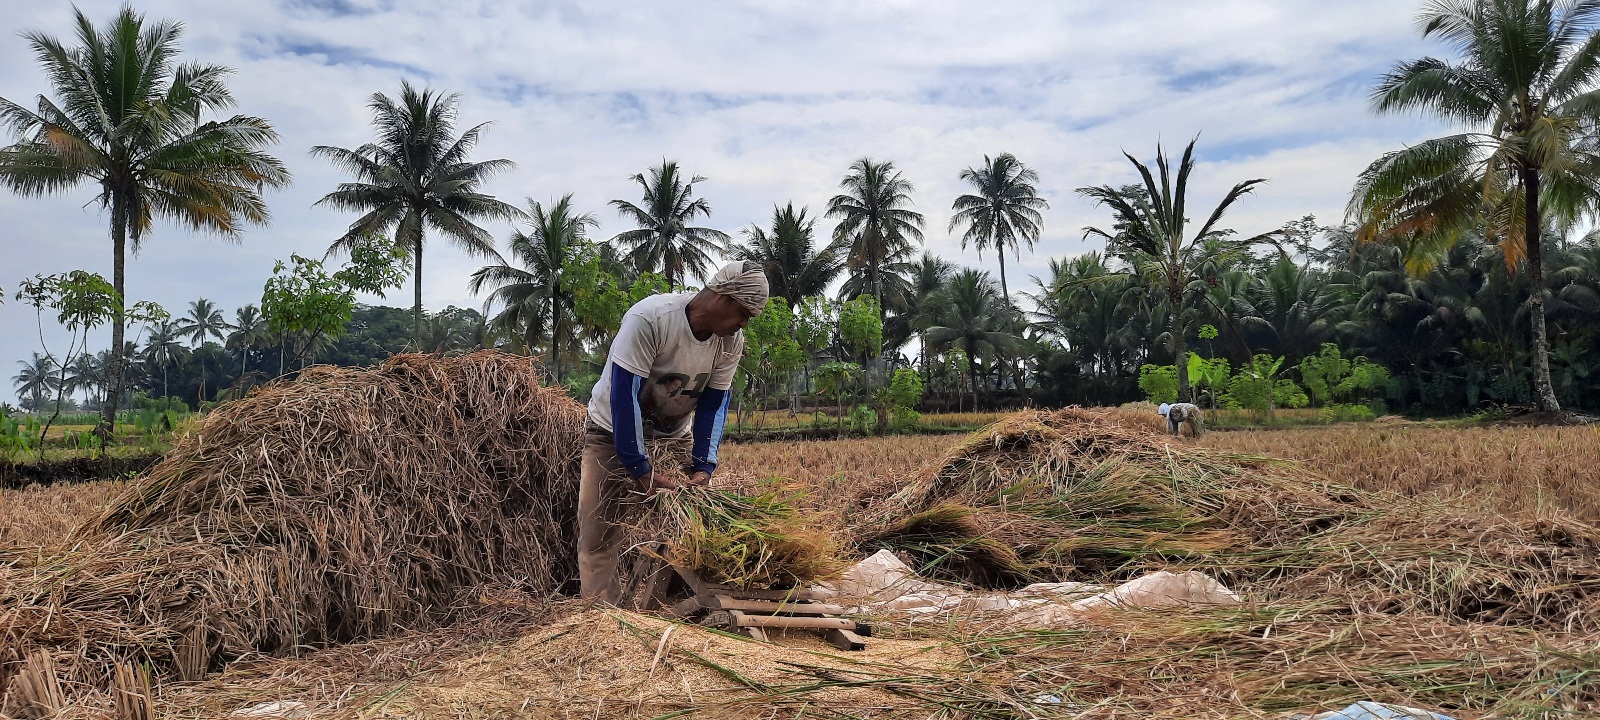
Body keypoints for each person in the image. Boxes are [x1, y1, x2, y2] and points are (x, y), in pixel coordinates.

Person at [578, 261, 768, 603]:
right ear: (721, 296)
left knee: (694, 528)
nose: (742, 324)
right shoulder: (651, 319)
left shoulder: (729, 342)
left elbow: (713, 404)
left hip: (673, 436)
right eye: (742, 313)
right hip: (611, 431)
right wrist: (639, 468)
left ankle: (677, 610)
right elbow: (625, 397)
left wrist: (702, 467)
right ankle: (601, 619)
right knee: (600, 533)